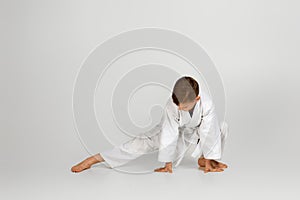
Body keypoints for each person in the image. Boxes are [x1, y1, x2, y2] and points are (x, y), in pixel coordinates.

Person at [71, 76, 228, 173]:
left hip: (195, 132)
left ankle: (204, 159)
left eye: (185, 107)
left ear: (197, 99)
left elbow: (209, 130)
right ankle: (95, 159)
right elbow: (169, 132)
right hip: (175, 129)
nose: (180, 108)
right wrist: (168, 163)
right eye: (178, 105)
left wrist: (209, 158)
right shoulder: (171, 105)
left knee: (221, 127)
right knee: (141, 143)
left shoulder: (206, 103)